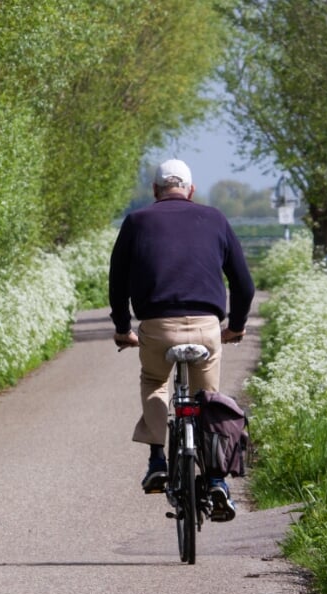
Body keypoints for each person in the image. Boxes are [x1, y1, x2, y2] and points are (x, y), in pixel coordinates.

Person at [109, 159, 255, 521]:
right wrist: (235, 325)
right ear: (190, 190)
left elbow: (117, 282)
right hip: (207, 327)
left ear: (156, 191)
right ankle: (218, 480)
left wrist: (122, 327)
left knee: (155, 381)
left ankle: (158, 458)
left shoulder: (137, 221)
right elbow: (243, 283)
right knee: (210, 402)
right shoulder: (216, 219)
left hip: (157, 326)